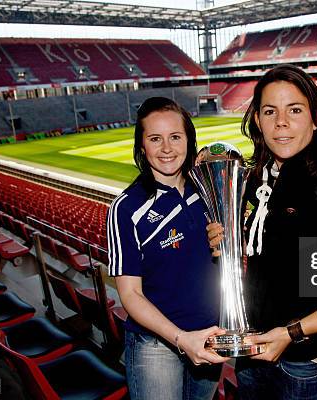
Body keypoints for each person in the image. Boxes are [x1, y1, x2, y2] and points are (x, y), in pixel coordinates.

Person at [208, 64, 317, 400]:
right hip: (252, 354)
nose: (281, 122)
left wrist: (289, 334)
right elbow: (273, 266)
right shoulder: (257, 179)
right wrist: (228, 249)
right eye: (270, 111)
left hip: (303, 363)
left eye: (295, 110)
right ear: (257, 120)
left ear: (315, 117)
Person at [107, 97, 227, 400]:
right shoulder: (126, 208)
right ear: (142, 146)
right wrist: (180, 339)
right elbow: (129, 295)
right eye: (155, 139)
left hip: (210, 335)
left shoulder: (209, 189)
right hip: (155, 344)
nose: (167, 148)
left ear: (189, 139)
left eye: (175, 137)